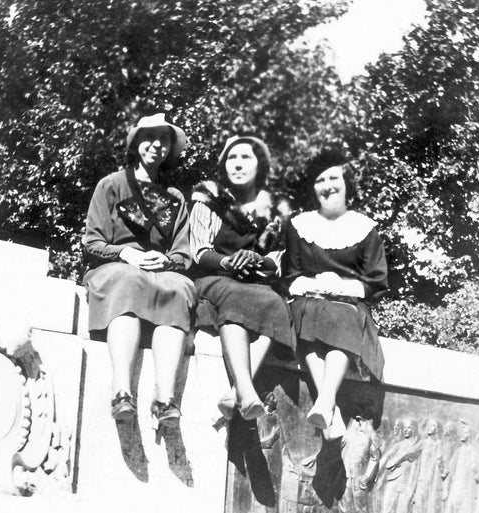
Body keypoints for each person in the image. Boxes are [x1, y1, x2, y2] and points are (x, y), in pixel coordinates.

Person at [83, 113, 196, 428]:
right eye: (150, 137)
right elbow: (92, 242)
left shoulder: (174, 198)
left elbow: (182, 252)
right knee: (130, 279)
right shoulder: (112, 185)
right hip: (115, 268)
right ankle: (122, 393)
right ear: (136, 143)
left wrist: (166, 261)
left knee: (180, 288)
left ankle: (165, 400)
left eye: (164, 140)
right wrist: (125, 252)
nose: (157, 145)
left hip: (159, 273)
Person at [283, 149, 388, 437]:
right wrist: (316, 282)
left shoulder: (365, 229)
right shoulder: (298, 226)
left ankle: (325, 401)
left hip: (349, 305)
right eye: (320, 180)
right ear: (313, 188)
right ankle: (328, 409)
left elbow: (376, 281)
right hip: (309, 299)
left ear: (346, 184)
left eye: (334, 178)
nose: (327, 185)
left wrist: (341, 286)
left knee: (341, 315)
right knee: (306, 313)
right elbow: (289, 274)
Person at [189, 135, 293, 421]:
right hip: (214, 279)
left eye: (246, 158)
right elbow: (197, 250)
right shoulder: (209, 198)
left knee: (276, 303)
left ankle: (234, 392)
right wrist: (228, 261)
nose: (238, 164)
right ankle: (247, 393)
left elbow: (279, 260)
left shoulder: (273, 210)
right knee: (235, 296)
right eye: (232, 158)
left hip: (255, 283)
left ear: (260, 165)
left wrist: (258, 260)